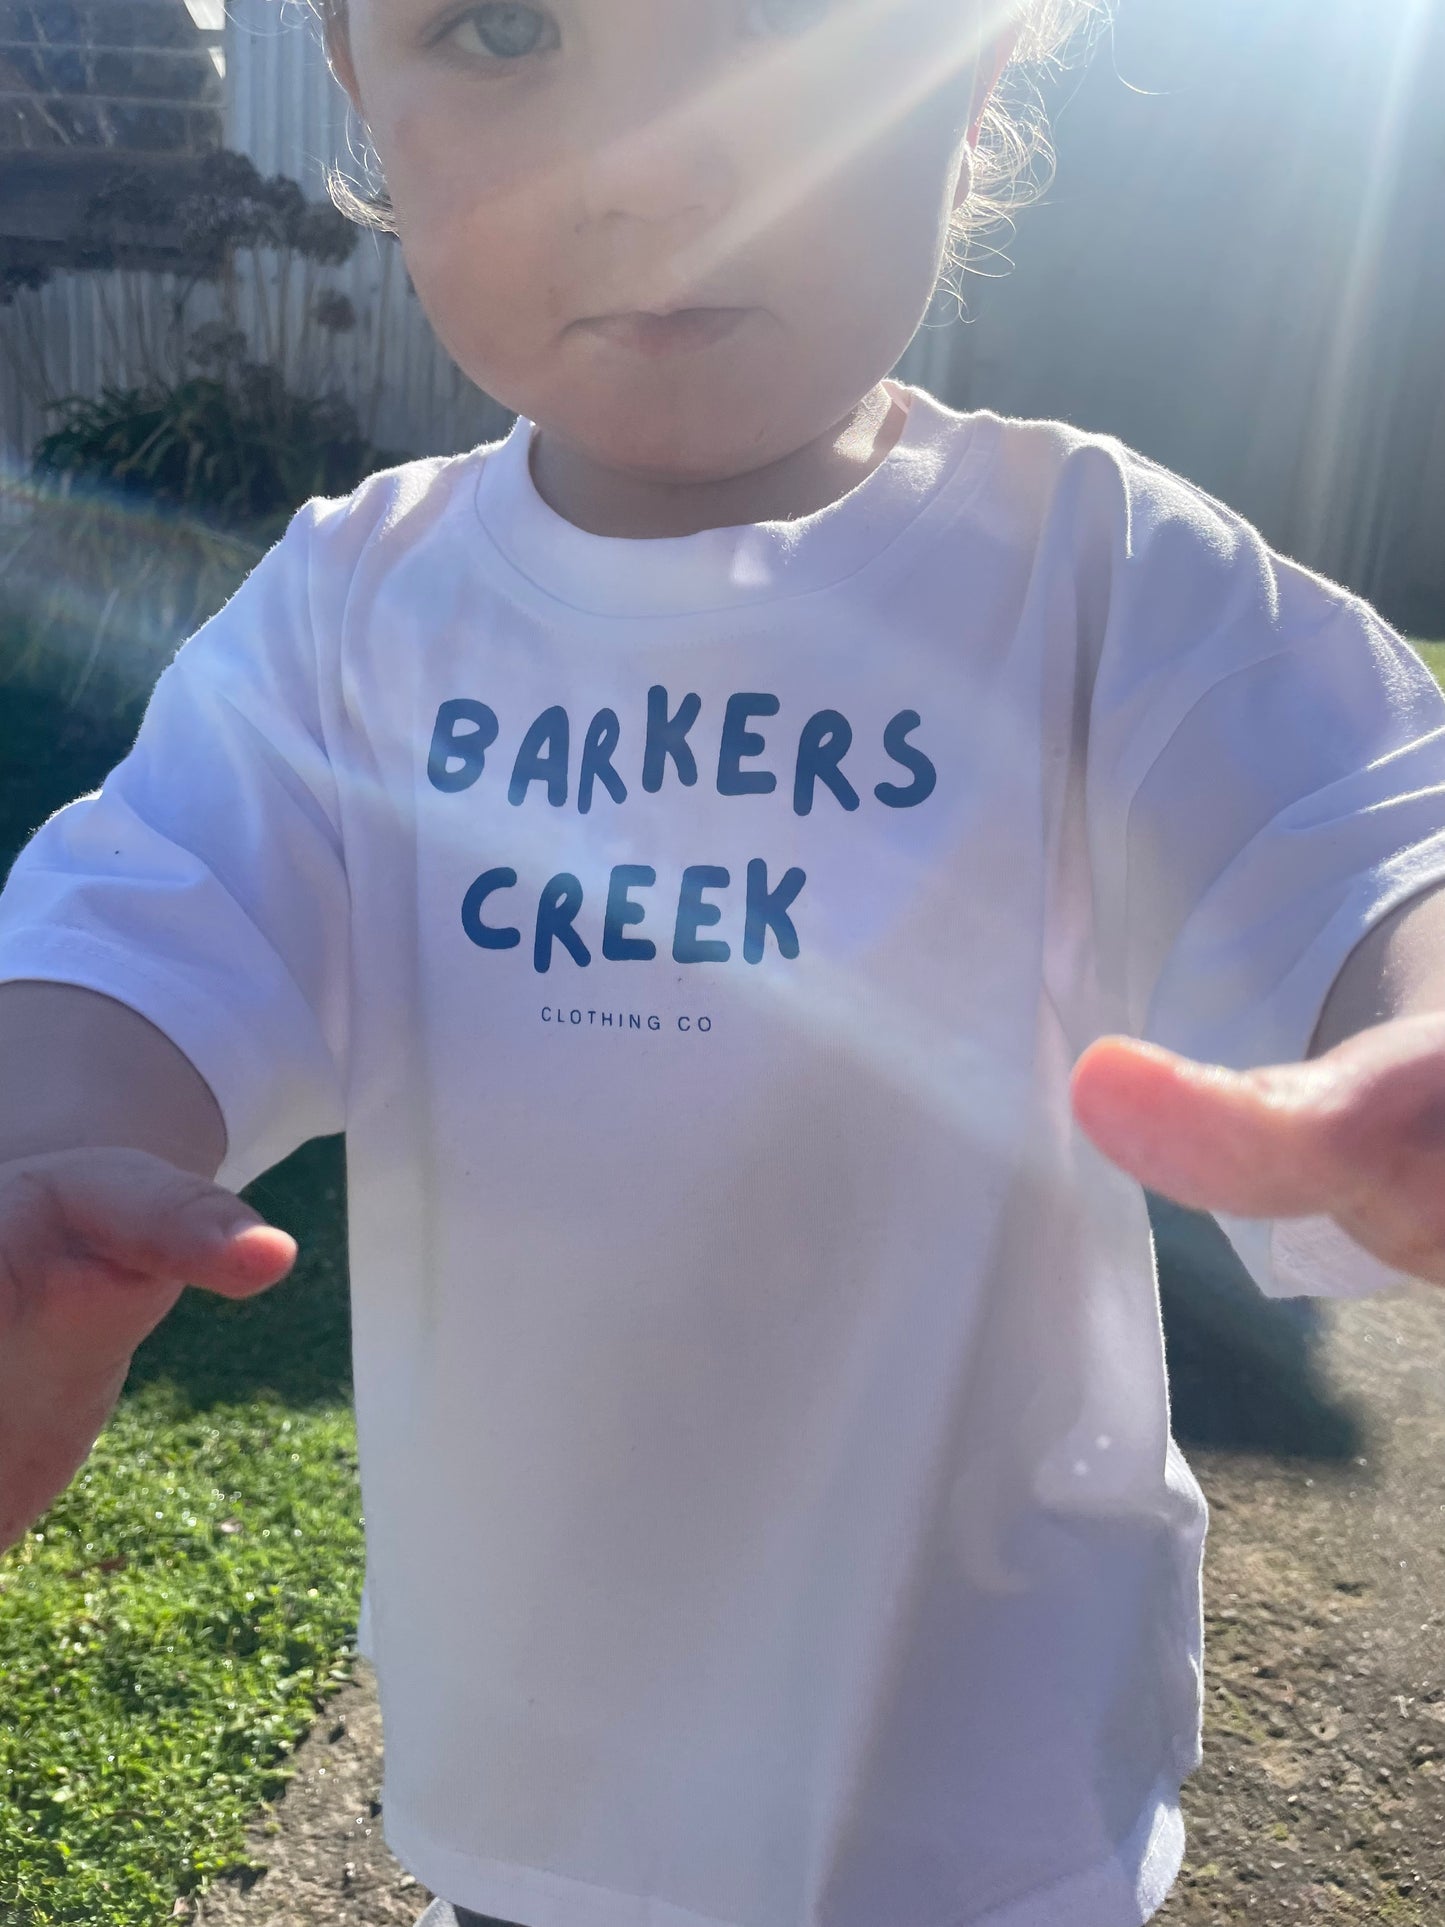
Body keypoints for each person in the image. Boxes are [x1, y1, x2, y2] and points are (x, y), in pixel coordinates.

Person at [2, 1, 1445, 1923]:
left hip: (979, 1794)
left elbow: (1359, 839)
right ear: (360, 86)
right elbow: (144, 926)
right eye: (506, 28)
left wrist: (1403, 1029)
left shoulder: (1091, 577)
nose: (660, 157)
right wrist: (45, 1160)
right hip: (546, 1794)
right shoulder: (354, 622)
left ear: (986, 67)